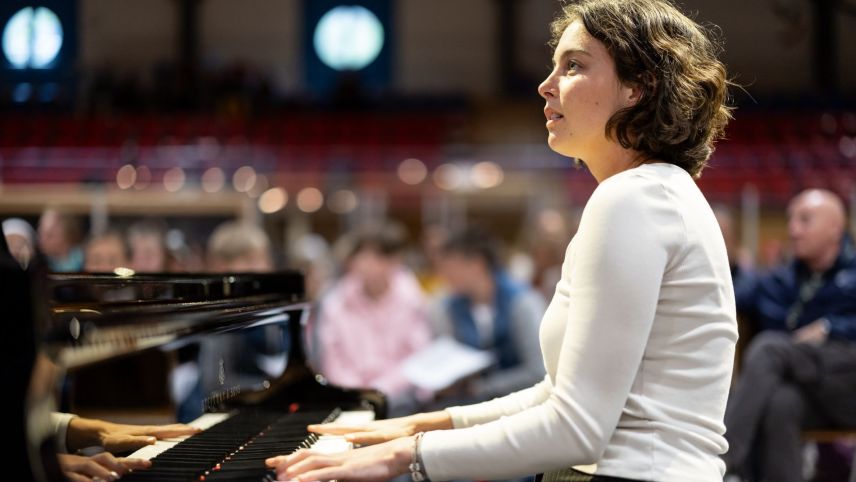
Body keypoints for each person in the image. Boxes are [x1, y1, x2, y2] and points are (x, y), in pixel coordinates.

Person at [266, 0, 736, 481]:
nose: (545, 85)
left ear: (640, 87)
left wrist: (403, 457)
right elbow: (557, 394)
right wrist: (420, 425)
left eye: (573, 66)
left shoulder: (632, 200)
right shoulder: (653, 194)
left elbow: (577, 429)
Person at [723, 189, 856, 482]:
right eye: (791, 220)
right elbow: (730, 296)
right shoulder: (781, 279)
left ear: (835, 227)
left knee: (771, 348)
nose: (793, 229)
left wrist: (830, 328)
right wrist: (724, 259)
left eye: (805, 220)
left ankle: (723, 462)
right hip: (805, 390)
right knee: (781, 404)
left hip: (848, 387)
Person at [315, 223, 432, 415]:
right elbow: (333, 358)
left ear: (395, 260)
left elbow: (417, 357)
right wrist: (357, 391)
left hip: (399, 398)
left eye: (377, 257)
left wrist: (380, 389)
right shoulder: (336, 301)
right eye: (362, 256)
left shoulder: (412, 299)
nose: (366, 264)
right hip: (350, 396)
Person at [431, 226, 545, 404]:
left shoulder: (523, 302)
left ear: (477, 264)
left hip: (521, 402)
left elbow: (537, 371)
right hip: (471, 403)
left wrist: (482, 387)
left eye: (450, 268)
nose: (444, 276)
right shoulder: (450, 306)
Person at [38, 207, 84, 272]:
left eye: (49, 235)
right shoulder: (41, 262)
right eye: (40, 234)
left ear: (66, 235)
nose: (41, 240)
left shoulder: (85, 260)